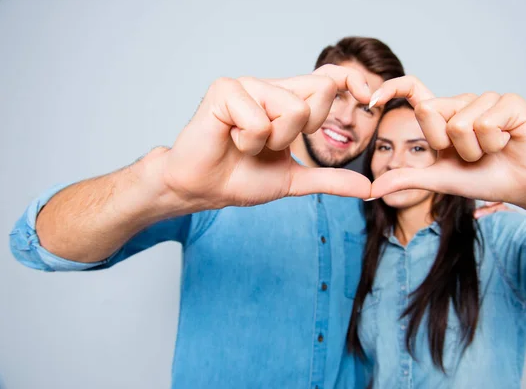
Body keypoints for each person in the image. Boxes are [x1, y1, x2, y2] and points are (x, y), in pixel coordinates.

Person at [9, 37, 404, 388]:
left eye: (368, 109)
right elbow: (36, 243)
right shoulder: (217, 179)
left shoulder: (376, 211)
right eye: (337, 96)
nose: (347, 118)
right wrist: (164, 183)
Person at [346, 81, 526, 388]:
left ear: (444, 155)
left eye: (417, 148)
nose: (394, 162)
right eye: (384, 147)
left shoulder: (496, 236)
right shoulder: (364, 249)